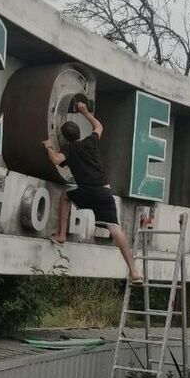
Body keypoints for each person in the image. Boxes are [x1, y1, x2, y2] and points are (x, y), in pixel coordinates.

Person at [41, 101, 143, 284]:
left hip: (88, 192)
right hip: (104, 192)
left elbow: (56, 159)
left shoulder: (69, 149)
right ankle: (134, 271)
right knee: (115, 229)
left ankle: (61, 235)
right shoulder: (90, 141)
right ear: (79, 133)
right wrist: (85, 112)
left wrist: (48, 146)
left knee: (65, 196)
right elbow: (99, 126)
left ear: (64, 137)